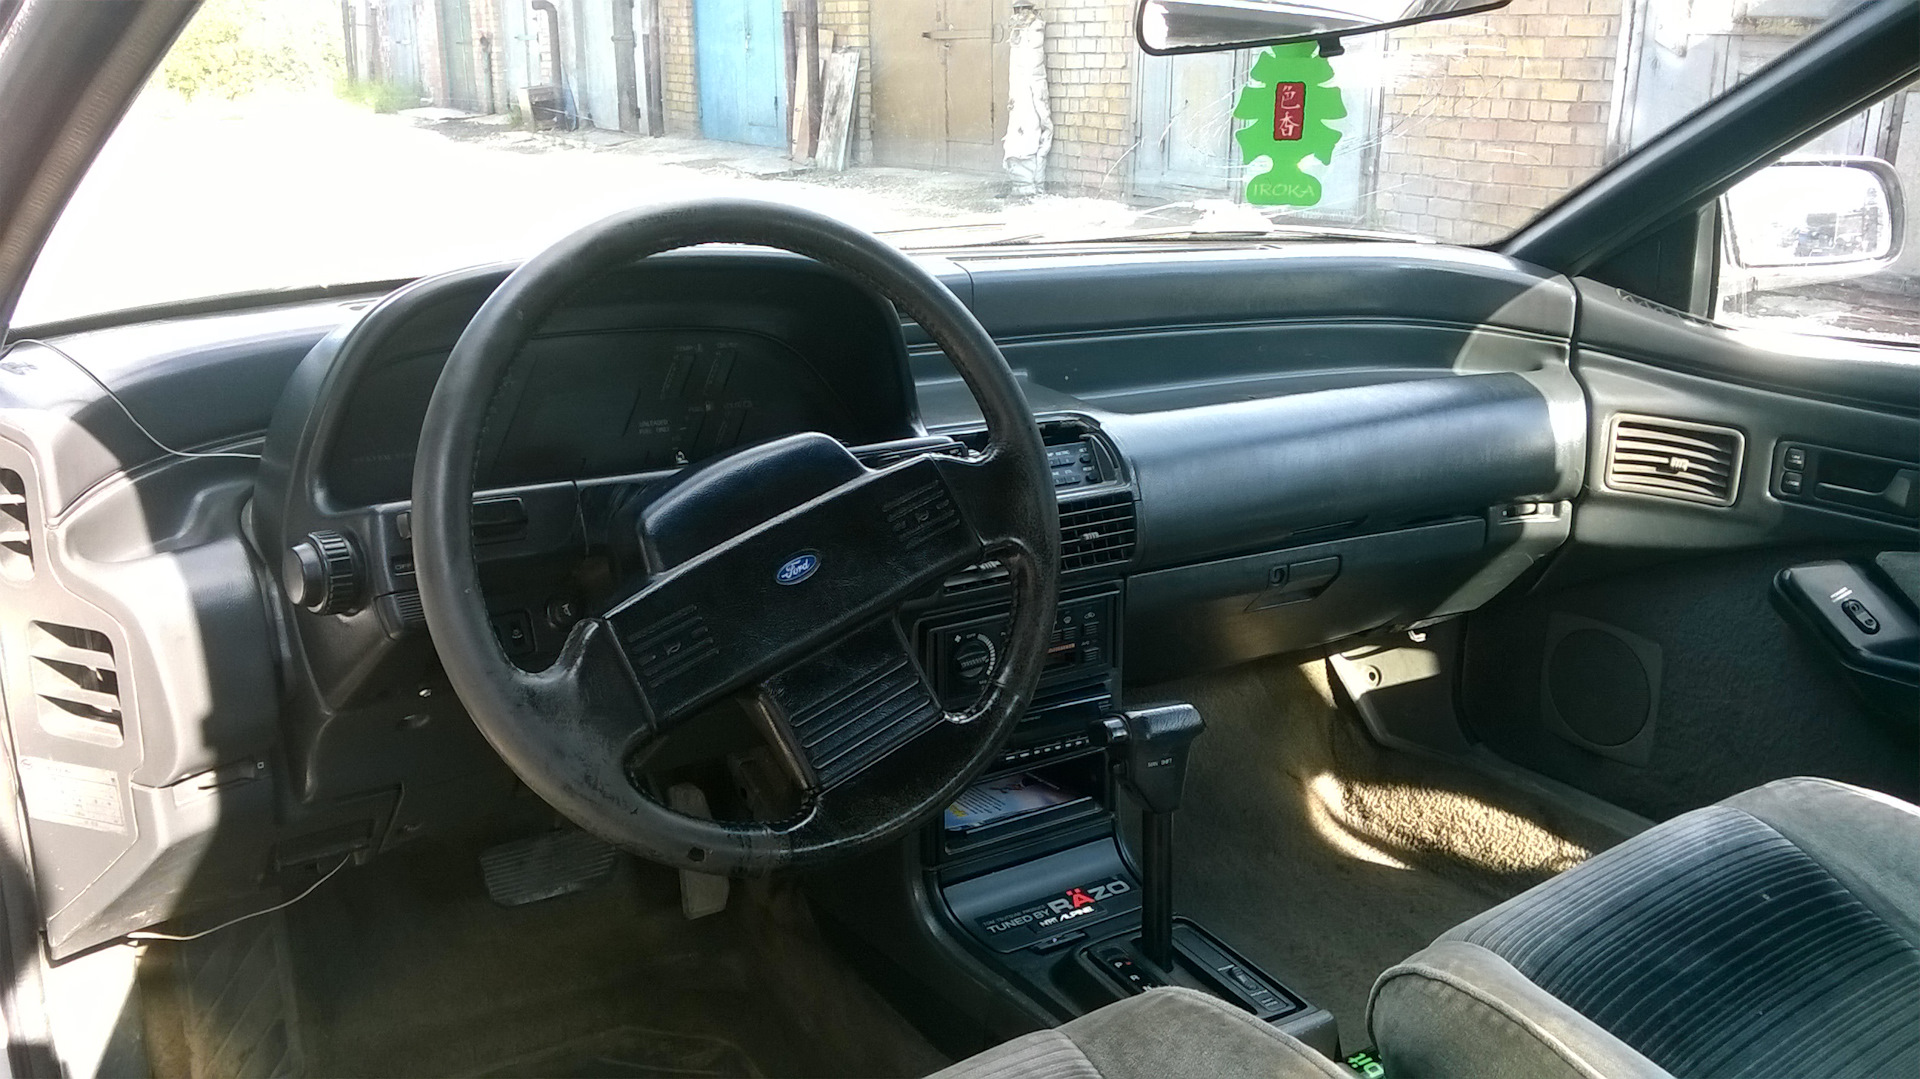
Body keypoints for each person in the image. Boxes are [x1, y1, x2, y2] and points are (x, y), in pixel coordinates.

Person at [1003, 0, 1053, 198]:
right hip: (1021, 95)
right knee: (1020, 135)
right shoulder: (1018, 33)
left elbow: (1034, 69)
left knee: (1032, 134)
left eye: (1022, 10)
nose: (1018, 14)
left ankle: (1032, 187)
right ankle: (1024, 186)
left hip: (1031, 94)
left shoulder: (1034, 29)